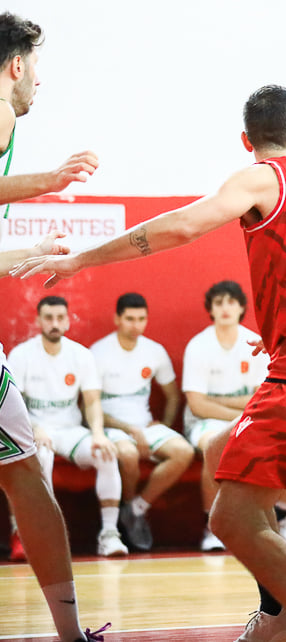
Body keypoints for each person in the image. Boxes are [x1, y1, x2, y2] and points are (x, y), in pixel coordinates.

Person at [14, 84, 286, 642]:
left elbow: (182, 227)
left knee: (230, 518)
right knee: (219, 447)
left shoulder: (263, 177)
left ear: (246, 140)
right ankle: (280, 612)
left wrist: (82, 261)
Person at [0, 12, 109, 640]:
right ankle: (70, 637)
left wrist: (31, 249)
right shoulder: (3, 113)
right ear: (16, 65)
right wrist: (52, 180)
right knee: (25, 474)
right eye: (35, 66)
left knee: (23, 469)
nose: (38, 80)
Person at [181, 280, 286, 552]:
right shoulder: (198, 346)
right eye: (219, 303)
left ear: (241, 307)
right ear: (211, 310)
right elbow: (197, 406)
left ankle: (282, 521)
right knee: (213, 444)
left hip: (249, 416)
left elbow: (261, 397)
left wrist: (220, 402)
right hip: (207, 422)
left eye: (231, 302)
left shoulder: (254, 342)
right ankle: (211, 528)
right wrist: (236, 413)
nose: (225, 308)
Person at [7, 296, 131, 558]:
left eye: (60, 317)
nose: (54, 323)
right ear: (39, 320)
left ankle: (109, 534)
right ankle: (28, 534)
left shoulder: (81, 355)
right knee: (40, 457)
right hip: (37, 430)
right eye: (49, 317)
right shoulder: (22, 355)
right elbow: (12, 406)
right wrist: (33, 430)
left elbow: (92, 402)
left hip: (71, 430)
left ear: (67, 320)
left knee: (106, 453)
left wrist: (98, 434)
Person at [90, 292, 195, 551]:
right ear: (117, 319)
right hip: (112, 427)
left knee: (183, 452)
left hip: (145, 425)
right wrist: (128, 429)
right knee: (127, 454)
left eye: (141, 319)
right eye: (129, 319)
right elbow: (87, 406)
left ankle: (135, 509)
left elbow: (172, 395)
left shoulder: (154, 351)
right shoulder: (98, 352)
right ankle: (125, 508)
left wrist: (165, 426)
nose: (136, 325)